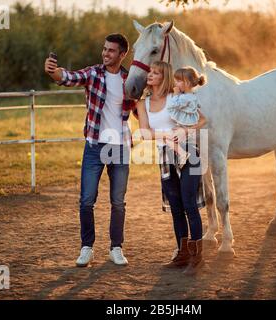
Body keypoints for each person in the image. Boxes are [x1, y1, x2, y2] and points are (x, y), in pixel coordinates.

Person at [44, 33, 136, 267]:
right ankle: (87, 248)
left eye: (111, 51)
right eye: (104, 49)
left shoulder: (129, 79)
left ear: (122, 54)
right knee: (86, 200)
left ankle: (116, 248)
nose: (105, 54)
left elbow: (143, 107)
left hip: (120, 148)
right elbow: (68, 77)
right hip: (95, 145)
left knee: (118, 201)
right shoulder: (94, 73)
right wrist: (52, 71)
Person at [134, 61, 207, 275]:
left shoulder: (176, 98)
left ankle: (198, 258)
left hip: (188, 153)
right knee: (176, 207)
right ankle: (183, 254)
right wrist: (165, 135)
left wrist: (185, 131)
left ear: (164, 76)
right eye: (149, 71)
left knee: (189, 204)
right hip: (166, 156)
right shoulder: (142, 104)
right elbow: (145, 133)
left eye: (156, 72)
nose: (150, 75)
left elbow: (202, 120)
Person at [166, 66, 207, 168]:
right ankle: (183, 155)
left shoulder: (184, 98)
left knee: (169, 139)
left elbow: (173, 105)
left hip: (184, 125)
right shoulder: (192, 96)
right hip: (189, 124)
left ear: (187, 83)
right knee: (180, 141)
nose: (176, 83)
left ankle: (183, 154)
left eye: (178, 81)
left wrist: (175, 94)